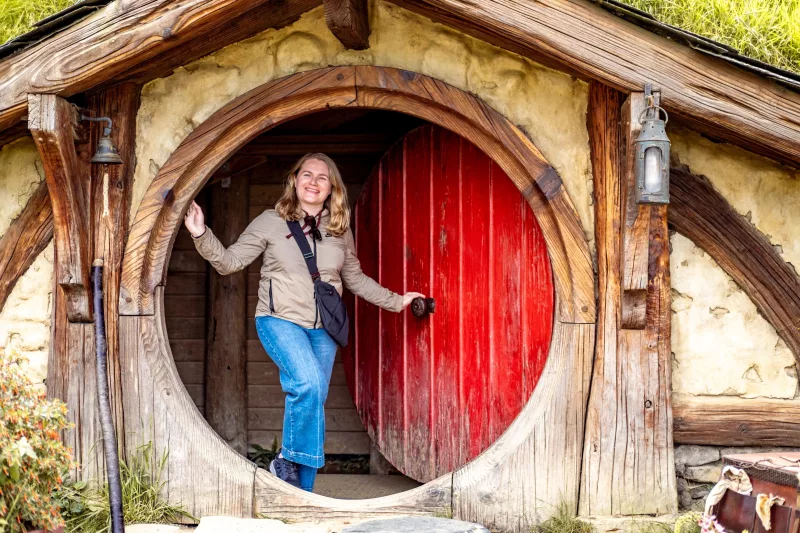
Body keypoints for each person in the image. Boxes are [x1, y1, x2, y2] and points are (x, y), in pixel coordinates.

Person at [183, 153, 424, 492]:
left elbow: (354, 279)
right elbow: (229, 261)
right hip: (279, 321)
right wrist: (200, 233)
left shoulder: (339, 230)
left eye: (322, 177)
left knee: (314, 400)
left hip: (324, 330)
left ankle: (301, 494)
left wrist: (396, 301)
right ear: (294, 181)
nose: (313, 182)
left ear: (331, 189)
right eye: (306, 175)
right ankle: (286, 459)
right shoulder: (270, 221)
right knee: (308, 384)